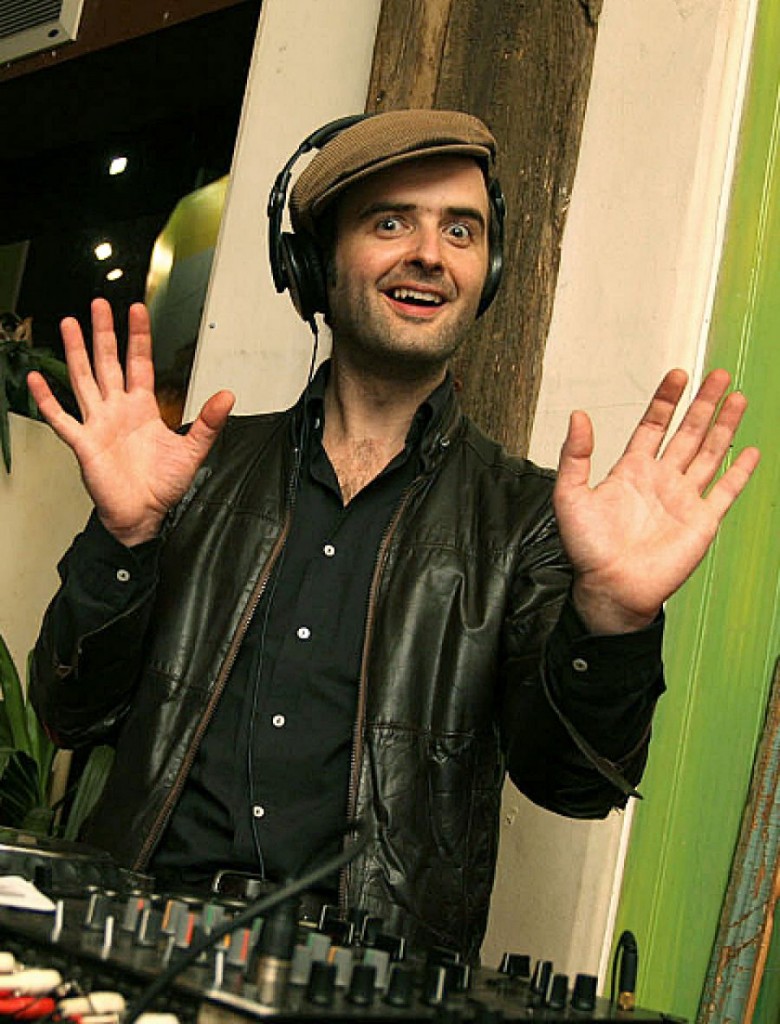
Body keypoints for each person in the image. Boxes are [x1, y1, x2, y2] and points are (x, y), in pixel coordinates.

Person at [28, 110, 759, 960]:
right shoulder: (196, 470)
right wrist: (124, 540)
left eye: (461, 230)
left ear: (489, 273)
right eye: (390, 223)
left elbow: (571, 784)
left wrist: (612, 619)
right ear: (312, 265)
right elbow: (69, 712)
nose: (430, 254)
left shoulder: (527, 521)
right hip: (141, 943)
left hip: (368, 974)